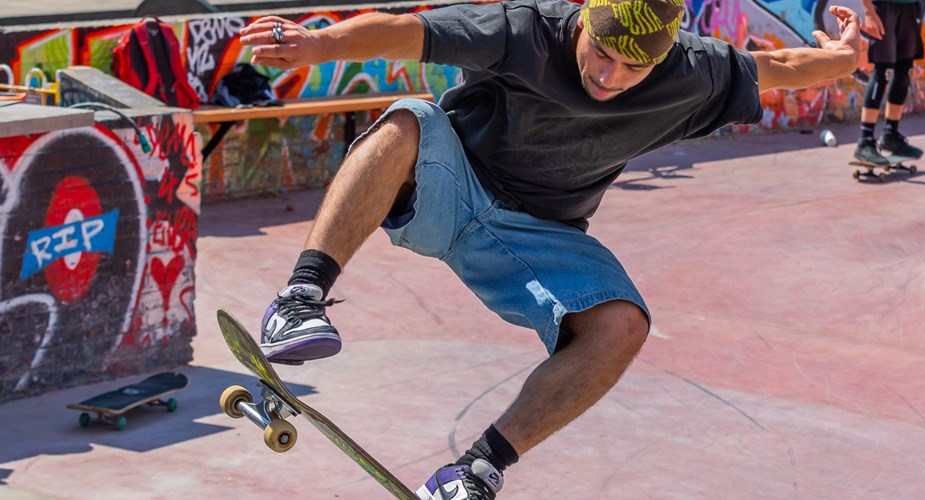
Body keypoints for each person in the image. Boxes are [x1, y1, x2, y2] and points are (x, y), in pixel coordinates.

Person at [239, 1, 860, 497]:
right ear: (584, 21)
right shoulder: (528, 30)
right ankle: (299, 298)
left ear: (663, 58)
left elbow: (781, 66)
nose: (608, 77)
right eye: (601, 53)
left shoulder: (696, 73)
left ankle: (477, 471)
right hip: (452, 183)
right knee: (406, 120)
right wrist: (323, 45)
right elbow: (410, 31)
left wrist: (843, 56)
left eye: (633, 68)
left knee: (621, 325)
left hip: (540, 237)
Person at [854, 0, 925, 166]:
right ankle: (865, 141)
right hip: (885, 7)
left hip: (910, 6)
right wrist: (869, 13)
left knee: (904, 70)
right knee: (883, 71)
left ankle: (890, 135)